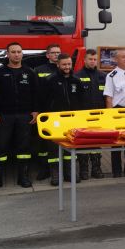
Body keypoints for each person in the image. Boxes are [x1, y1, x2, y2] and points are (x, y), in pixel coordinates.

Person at [0, 42, 38, 190]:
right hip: (4, 116)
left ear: (22, 54)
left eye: (19, 52)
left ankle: (23, 177)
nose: (17, 54)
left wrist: (35, 110)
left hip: (24, 116)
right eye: (13, 52)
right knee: (0, 148)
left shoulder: (29, 72)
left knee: (24, 148)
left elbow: (36, 93)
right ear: (7, 54)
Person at [41, 53, 84, 186]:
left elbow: (81, 101)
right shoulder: (49, 80)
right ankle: (56, 174)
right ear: (58, 65)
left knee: (70, 146)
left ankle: (70, 172)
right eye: (64, 64)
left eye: (69, 64)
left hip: (72, 120)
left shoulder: (76, 80)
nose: (67, 67)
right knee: (54, 148)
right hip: (55, 120)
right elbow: (43, 101)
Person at [103, 49, 125, 177]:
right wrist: (110, 116)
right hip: (117, 111)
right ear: (116, 59)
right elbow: (109, 97)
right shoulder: (111, 76)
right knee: (116, 142)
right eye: (123, 57)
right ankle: (116, 171)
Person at [75, 48, 106, 180]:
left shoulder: (103, 76)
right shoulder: (77, 76)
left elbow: (106, 97)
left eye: (95, 59)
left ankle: (96, 169)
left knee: (96, 143)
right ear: (84, 60)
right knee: (83, 143)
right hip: (82, 116)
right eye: (90, 59)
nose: (93, 61)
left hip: (98, 116)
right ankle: (84, 170)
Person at [32, 43, 61, 176]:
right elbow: (34, 92)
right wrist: (36, 109)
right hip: (44, 112)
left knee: (59, 141)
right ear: (47, 55)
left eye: (58, 52)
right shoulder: (39, 70)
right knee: (43, 142)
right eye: (53, 53)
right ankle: (44, 169)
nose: (56, 55)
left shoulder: (64, 68)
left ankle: (60, 169)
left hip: (60, 112)